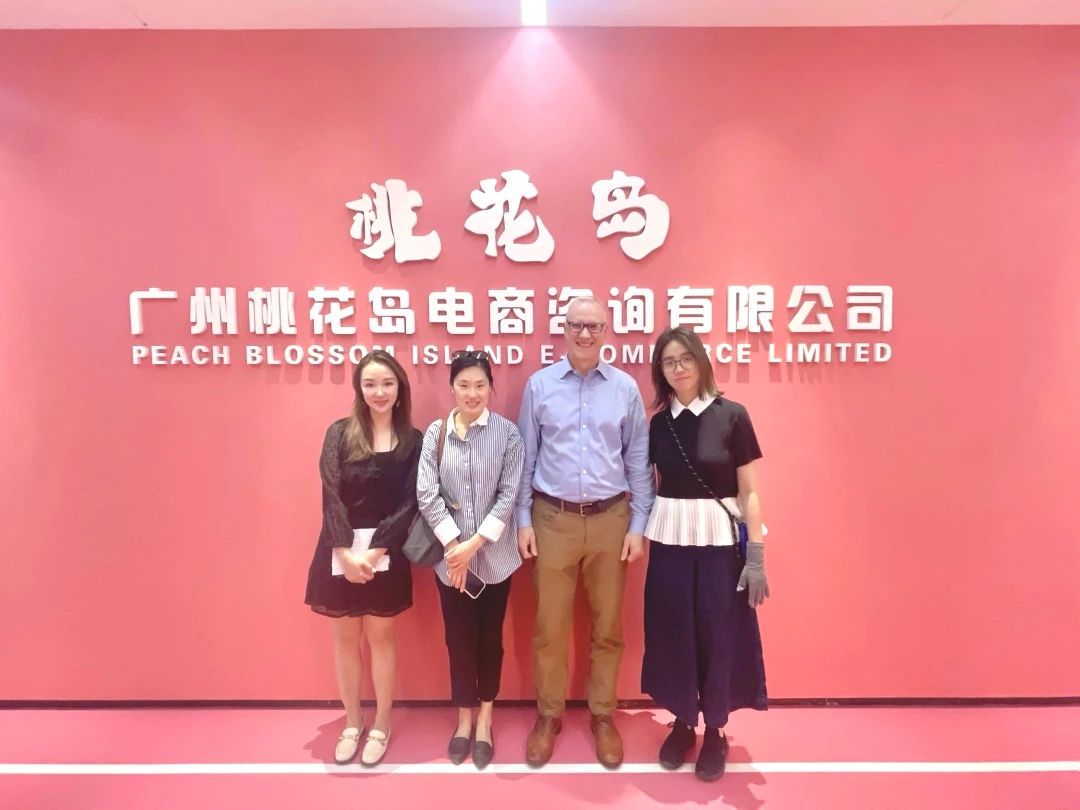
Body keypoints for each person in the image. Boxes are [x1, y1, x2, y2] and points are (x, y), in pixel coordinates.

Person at [516, 296, 656, 769]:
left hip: (611, 520)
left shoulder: (624, 389)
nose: (584, 333)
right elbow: (526, 458)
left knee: (608, 625)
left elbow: (637, 460)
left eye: (594, 326)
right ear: (564, 329)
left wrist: (638, 524)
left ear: (605, 331)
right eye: (576, 324)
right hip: (551, 519)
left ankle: (602, 715)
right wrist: (523, 519)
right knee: (549, 627)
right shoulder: (539, 386)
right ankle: (549, 715)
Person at [642, 326, 769, 782]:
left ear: (701, 361)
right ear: (661, 371)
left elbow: (749, 491)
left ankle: (715, 729)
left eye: (685, 359)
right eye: (668, 362)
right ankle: (682, 721)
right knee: (675, 631)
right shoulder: (659, 424)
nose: (678, 368)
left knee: (719, 634)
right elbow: (648, 484)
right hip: (670, 545)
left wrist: (756, 554)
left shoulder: (732, 415)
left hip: (720, 548)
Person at [304, 350, 422, 767]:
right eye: (370, 384)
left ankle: (382, 723)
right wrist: (345, 553)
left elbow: (410, 502)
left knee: (381, 639)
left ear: (399, 388)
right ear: (359, 389)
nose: (379, 392)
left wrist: (374, 552)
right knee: (345, 641)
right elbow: (330, 494)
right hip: (338, 553)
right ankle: (352, 722)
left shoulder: (413, 441)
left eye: (387, 383)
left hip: (385, 553)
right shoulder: (339, 433)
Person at [416, 350, 525, 770]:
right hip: (450, 562)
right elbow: (426, 493)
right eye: (464, 385)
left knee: (489, 640)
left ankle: (485, 720)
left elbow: (509, 495)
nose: (472, 393)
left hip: (494, 559)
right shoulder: (436, 433)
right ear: (452, 388)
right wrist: (453, 545)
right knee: (458, 640)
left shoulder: (507, 434)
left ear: (491, 388)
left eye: (480, 385)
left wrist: (472, 545)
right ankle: (463, 719)